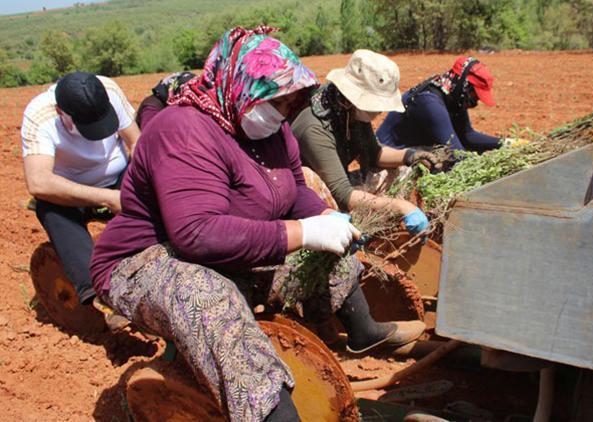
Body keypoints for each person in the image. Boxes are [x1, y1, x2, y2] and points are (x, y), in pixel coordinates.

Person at [90, 27, 424, 422]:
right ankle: (273, 414)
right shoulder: (183, 130)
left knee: (326, 256)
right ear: (240, 87)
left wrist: (321, 215)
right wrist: (301, 233)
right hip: (146, 259)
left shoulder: (271, 129)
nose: (285, 112)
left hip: (224, 249)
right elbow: (197, 233)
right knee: (210, 299)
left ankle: (364, 332)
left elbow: (294, 188)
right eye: (278, 101)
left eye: (292, 102)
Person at [21, 72, 140, 319]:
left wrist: (141, 183)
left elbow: (136, 142)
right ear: (60, 112)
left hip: (118, 178)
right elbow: (39, 181)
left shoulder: (108, 90)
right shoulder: (39, 116)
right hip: (72, 192)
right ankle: (100, 293)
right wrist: (105, 198)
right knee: (50, 209)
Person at [292, 50, 434, 235]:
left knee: (402, 172)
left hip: (339, 187)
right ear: (352, 97)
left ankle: (382, 222)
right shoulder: (314, 126)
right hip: (314, 199)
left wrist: (411, 156)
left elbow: (374, 154)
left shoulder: (350, 112)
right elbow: (343, 195)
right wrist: (400, 206)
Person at [377, 56, 509, 153]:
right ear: (463, 86)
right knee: (443, 160)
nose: (475, 102)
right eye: (474, 96)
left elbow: (467, 136)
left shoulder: (452, 96)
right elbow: (456, 153)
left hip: (412, 151)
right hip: (387, 158)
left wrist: (507, 144)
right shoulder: (430, 103)